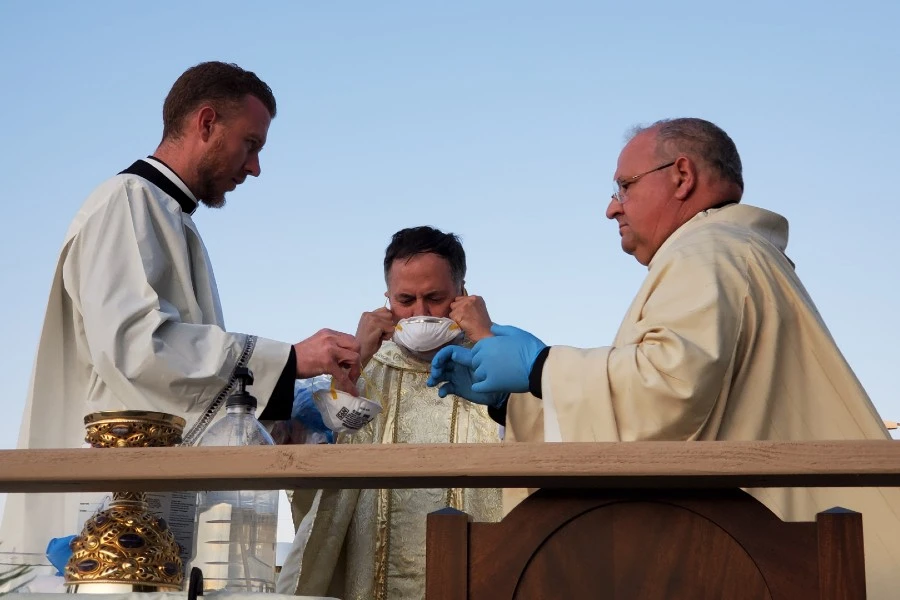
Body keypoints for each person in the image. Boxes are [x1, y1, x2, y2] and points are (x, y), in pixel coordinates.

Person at [427, 118, 900, 598]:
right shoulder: (729, 249)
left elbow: (668, 390)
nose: (612, 208)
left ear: (681, 175)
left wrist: (539, 368)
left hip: (760, 555)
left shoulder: (707, 252)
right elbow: (692, 403)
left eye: (625, 186)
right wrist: (518, 398)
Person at [0, 61, 361, 576]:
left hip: (153, 512)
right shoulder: (126, 203)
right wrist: (288, 361)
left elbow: (182, 379)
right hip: (110, 517)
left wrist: (275, 416)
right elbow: (136, 347)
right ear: (207, 122)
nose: (255, 166)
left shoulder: (169, 217)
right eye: (250, 144)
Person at [278, 226, 503, 600]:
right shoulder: (367, 369)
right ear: (386, 300)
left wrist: (488, 343)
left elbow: (537, 428)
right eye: (405, 299)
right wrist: (355, 362)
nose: (420, 313)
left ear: (463, 295)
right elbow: (315, 459)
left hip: (480, 570)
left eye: (434, 298)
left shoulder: (496, 359)